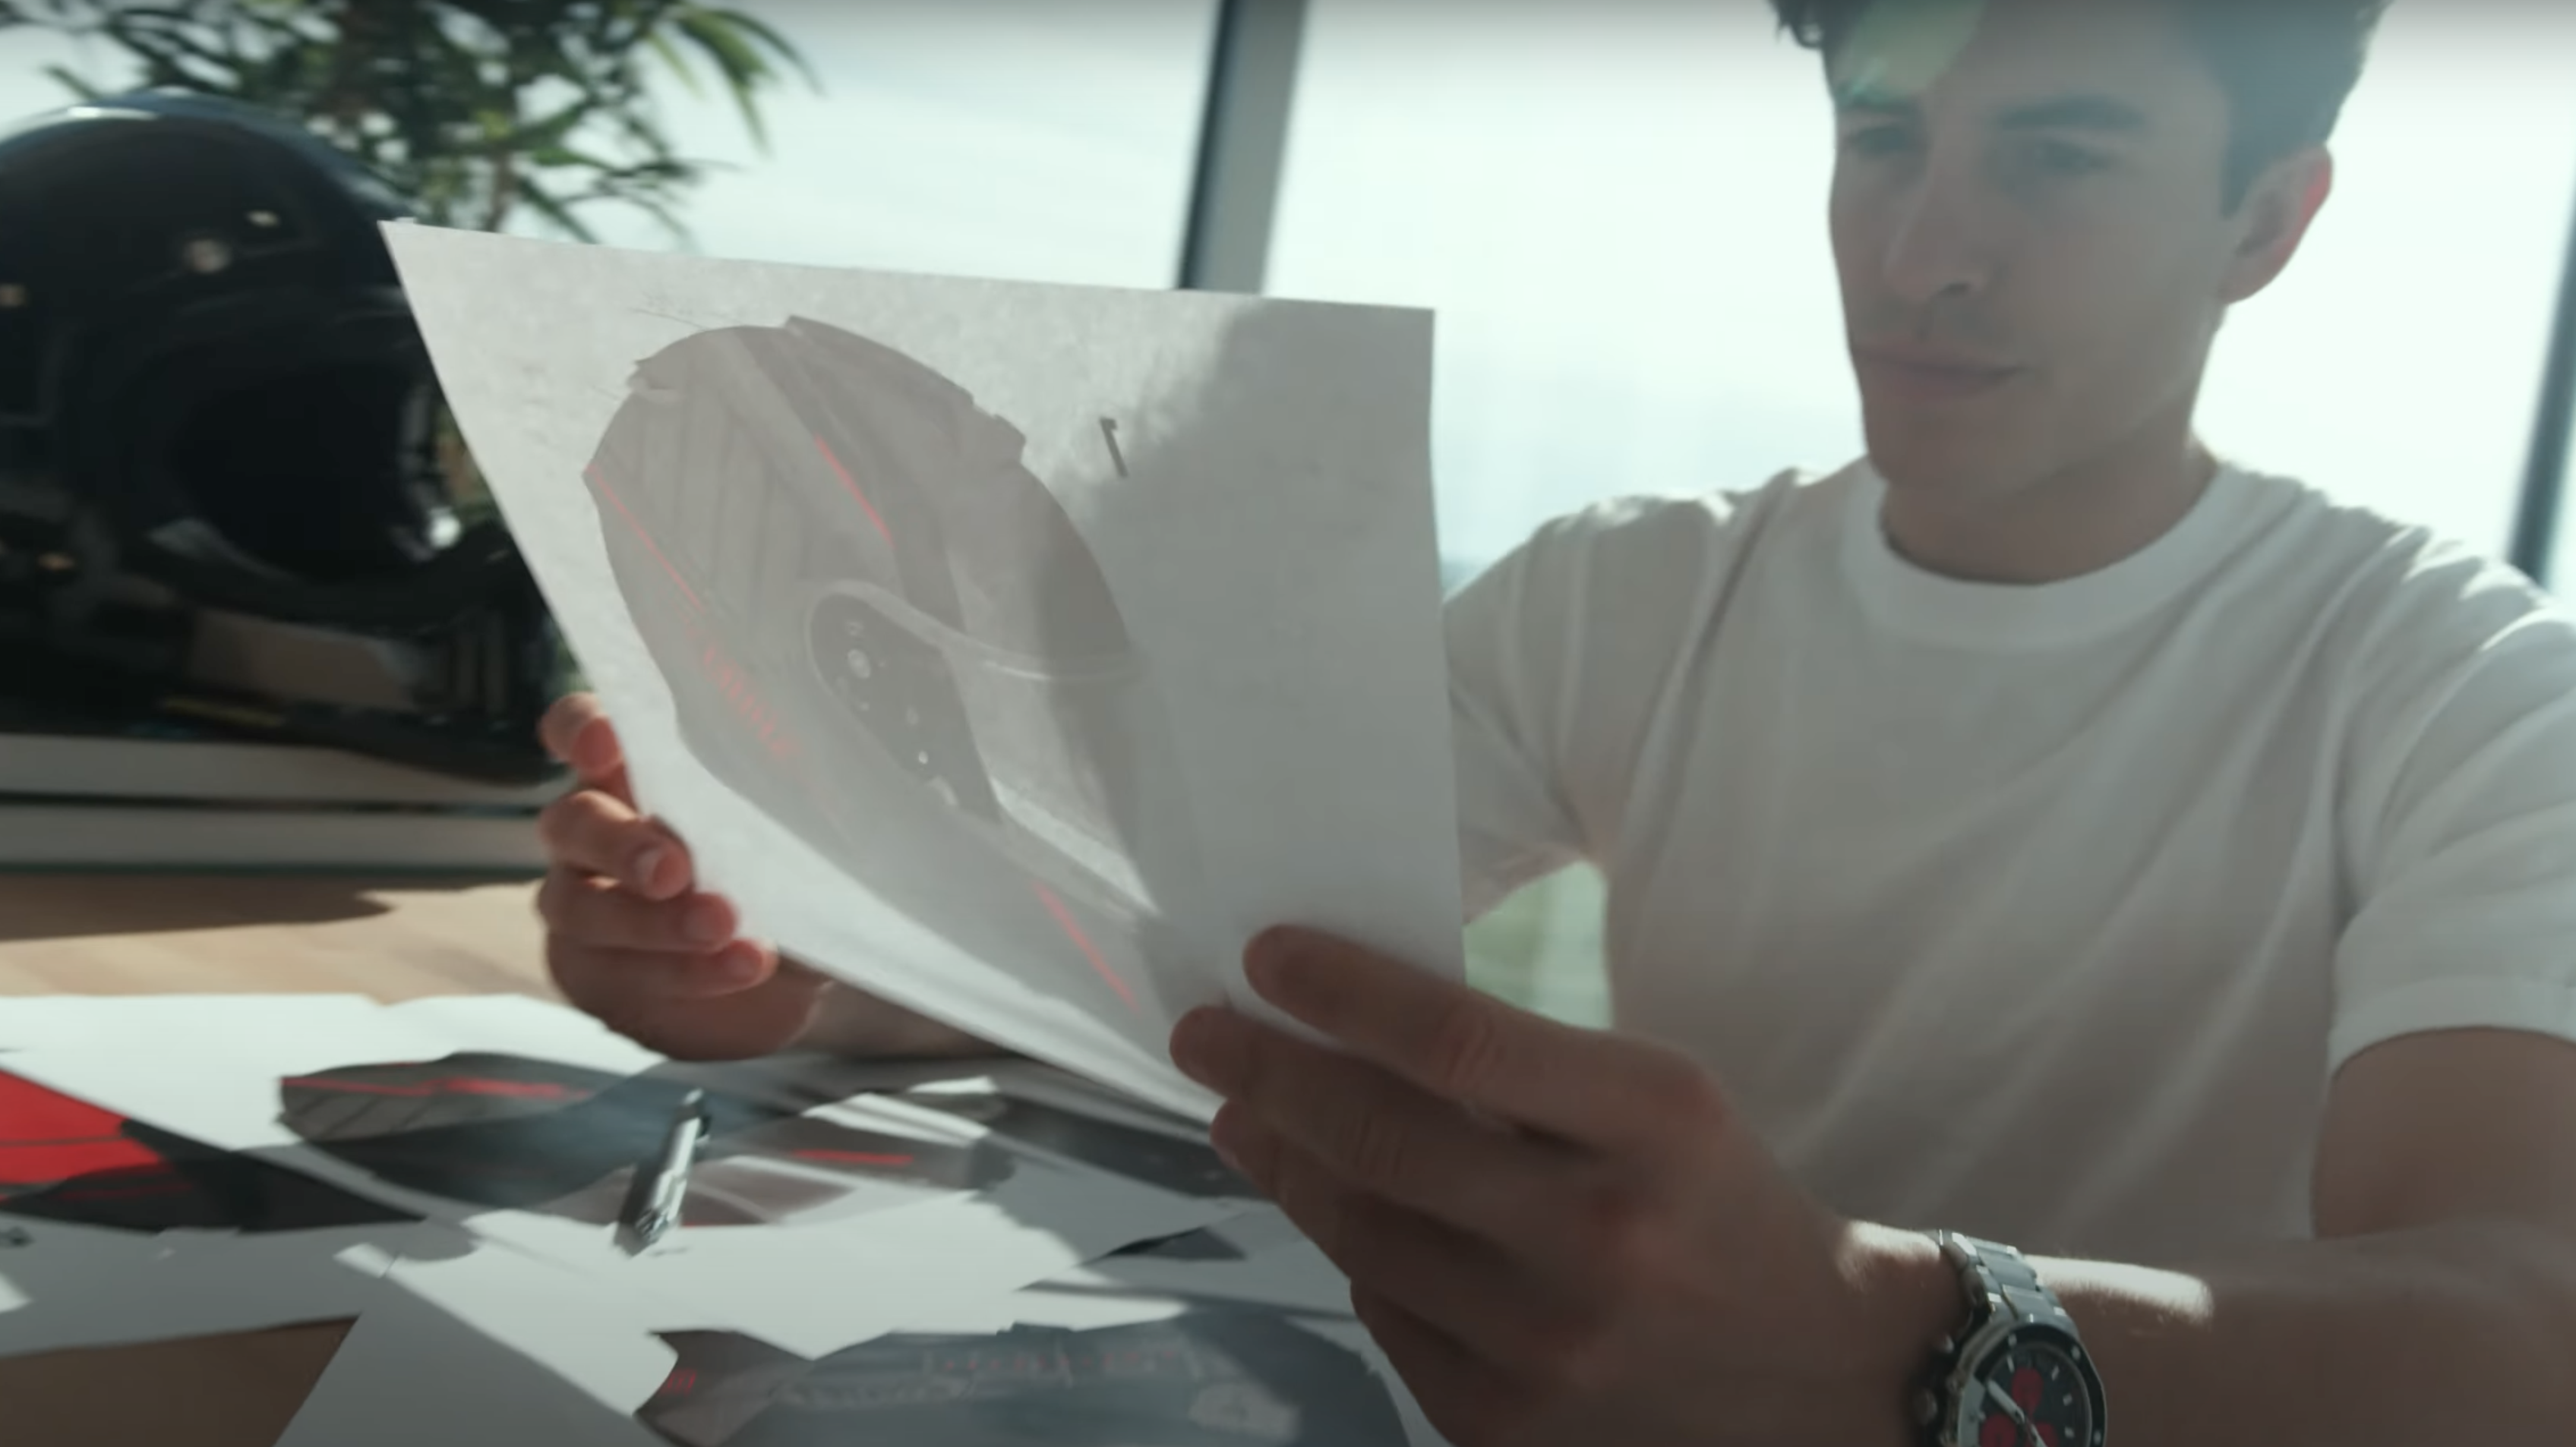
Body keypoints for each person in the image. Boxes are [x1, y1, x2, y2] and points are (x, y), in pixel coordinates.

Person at [532, 1, 2576, 1442]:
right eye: (1884, 140)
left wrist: (1891, 1342)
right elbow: (1186, 941)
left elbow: (2528, 1318)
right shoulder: (1634, 590)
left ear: (2263, 221)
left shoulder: (2463, 683)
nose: (1922, 252)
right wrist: (799, 966)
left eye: (2057, 159)